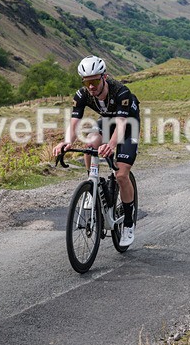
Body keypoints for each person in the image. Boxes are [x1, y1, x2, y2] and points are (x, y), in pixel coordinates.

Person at [53, 56, 140, 245]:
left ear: (104, 77)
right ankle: (92, 185)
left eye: (94, 81)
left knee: (121, 175)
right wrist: (66, 142)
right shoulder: (82, 94)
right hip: (108, 121)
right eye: (86, 81)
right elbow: (74, 123)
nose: (90, 86)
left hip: (127, 124)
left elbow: (121, 125)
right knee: (90, 145)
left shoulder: (121, 92)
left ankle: (128, 223)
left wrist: (111, 145)